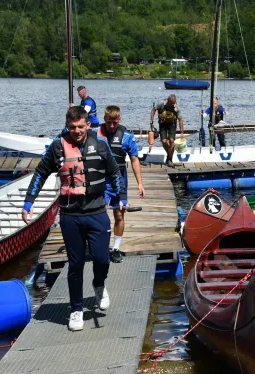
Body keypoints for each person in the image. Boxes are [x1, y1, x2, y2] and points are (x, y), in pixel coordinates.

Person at [21, 106, 126, 332]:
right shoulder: (58, 147)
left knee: (102, 259)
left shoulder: (100, 144)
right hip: (71, 215)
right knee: (75, 265)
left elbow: (114, 172)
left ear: (88, 125)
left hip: (97, 212)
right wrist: (29, 202)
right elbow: (40, 173)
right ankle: (76, 309)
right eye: (72, 127)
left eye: (80, 127)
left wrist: (122, 196)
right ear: (67, 126)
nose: (76, 131)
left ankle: (99, 285)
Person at [97, 105, 146, 263]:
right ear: (104, 119)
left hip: (119, 180)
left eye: (114, 123)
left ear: (119, 120)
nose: (111, 126)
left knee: (119, 214)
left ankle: (116, 248)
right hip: (100, 180)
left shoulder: (127, 136)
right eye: (109, 122)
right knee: (99, 214)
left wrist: (140, 183)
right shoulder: (95, 134)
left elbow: (134, 160)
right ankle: (100, 246)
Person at [150, 94, 184, 167]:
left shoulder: (176, 107)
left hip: (172, 124)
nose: (173, 104)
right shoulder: (161, 103)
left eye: (174, 103)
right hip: (163, 124)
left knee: (172, 140)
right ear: (168, 101)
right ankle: (169, 156)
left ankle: (169, 159)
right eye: (171, 103)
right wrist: (151, 121)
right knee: (164, 141)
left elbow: (180, 119)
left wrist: (181, 132)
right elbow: (153, 110)